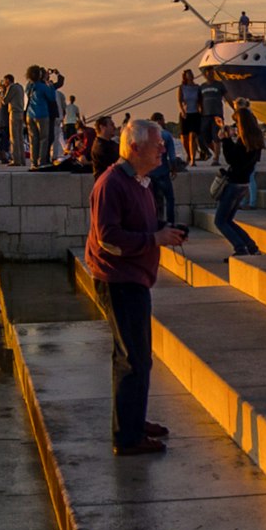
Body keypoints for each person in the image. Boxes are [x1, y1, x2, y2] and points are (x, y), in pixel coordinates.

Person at [86, 119, 189, 456]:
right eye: (157, 144)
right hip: (119, 280)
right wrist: (153, 239)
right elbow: (108, 239)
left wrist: (163, 230)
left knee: (136, 357)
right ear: (134, 147)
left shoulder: (140, 182)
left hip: (133, 278)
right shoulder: (112, 184)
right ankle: (127, 438)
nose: (163, 149)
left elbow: (138, 224)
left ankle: (133, 421)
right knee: (134, 358)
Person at [212, 106, 263, 254]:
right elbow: (242, 158)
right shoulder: (255, 139)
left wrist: (225, 140)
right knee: (227, 220)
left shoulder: (244, 140)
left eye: (237, 123)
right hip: (244, 183)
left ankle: (241, 249)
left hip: (234, 183)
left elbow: (232, 159)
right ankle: (251, 247)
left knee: (220, 221)